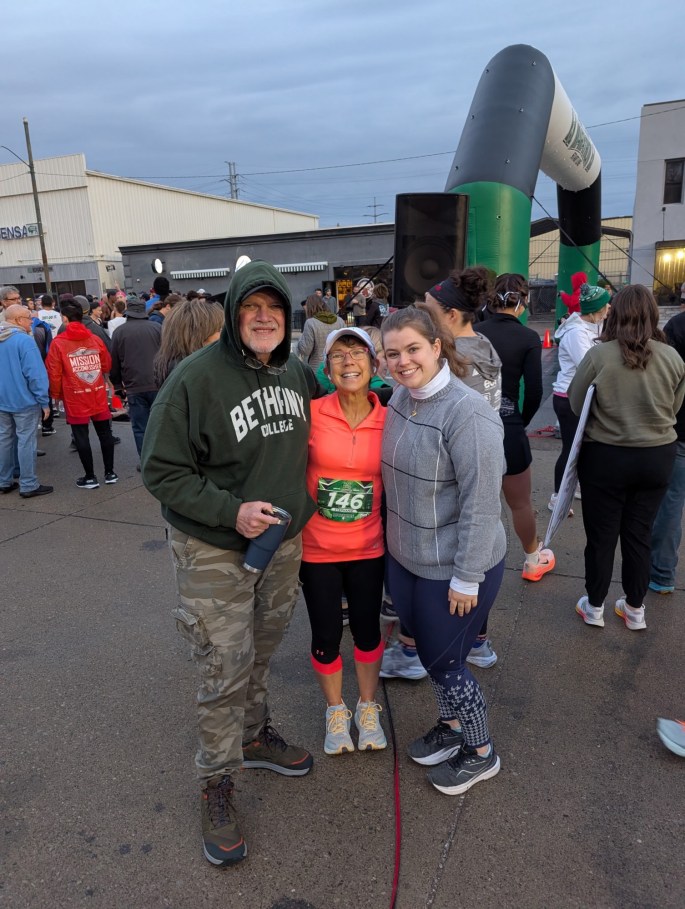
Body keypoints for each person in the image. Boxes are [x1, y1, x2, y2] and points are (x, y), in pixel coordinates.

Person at [141, 260, 318, 867]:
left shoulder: (296, 371)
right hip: (215, 545)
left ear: (288, 317)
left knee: (263, 645)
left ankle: (254, 733)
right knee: (224, 662)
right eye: (252, 307)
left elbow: (335, 420)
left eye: (274, 307)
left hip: (283, 543)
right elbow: (160, 471)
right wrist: (230, 512)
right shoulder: (195, 378)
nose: (264, 317)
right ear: (235, 312)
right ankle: (216, 781)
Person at [381, 307, 506, 795]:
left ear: (436, 346)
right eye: (392, 353)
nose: (402, 361)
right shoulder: (398, 398)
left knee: (448, 662)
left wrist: (467, 576)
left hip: (455, 565)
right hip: (407, 557)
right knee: (432, 656)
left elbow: (481, 502)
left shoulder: (467, 412)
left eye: (412, 349)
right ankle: (452, 729)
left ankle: (480, 752)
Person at [568, 285, 685, 631]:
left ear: (615, 313)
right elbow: (675, 408)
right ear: (652, 314)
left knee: (602, 536)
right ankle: (635, 609)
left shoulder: (599, 356)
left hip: (606, 456)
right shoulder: (673, 358)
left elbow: (577, 403)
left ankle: (594, 606)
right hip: (658, 455)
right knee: (639, 532)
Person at [300, 326, 387, 754]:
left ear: (374, 364)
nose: (348, 361)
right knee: (326, 634)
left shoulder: (391, 419)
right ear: (326, 367)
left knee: (368, 633)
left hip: (370, 549)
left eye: (357, 353)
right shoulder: (311, 413)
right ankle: (336, 710)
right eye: (338, 355)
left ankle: (367, 707)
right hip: (317, 550)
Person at [420, 266, 503, 668]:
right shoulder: (484, 344)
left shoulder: (452, 360)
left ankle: (421, 649)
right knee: (479, 545)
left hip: (451, 475)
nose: (422, 315)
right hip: (484, 466)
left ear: (451, 315)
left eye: (429, 309)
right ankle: (479, 641)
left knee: (457, 559)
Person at [476, 273, 554, 582]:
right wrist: (521, 420)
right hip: (508, 424)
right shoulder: (527, 337)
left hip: (473, 421)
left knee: (474, 500)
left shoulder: (474, 332)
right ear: (523, 302)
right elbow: (534, 390)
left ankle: (472, 562)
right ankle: (533, 559)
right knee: (520, 502)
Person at [549, 283, 611, 513]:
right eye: (605, 306)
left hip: (581, 394)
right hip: (568, 396)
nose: (609, 309)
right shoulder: (576, 333)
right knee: (570, 448)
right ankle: (557, 496)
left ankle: (574, 487)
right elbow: (589, 364)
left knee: (583, 447)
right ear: (595, 310)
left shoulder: (592, 324)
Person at [46, 301, 117, 489]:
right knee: (105, 432)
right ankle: (110, 473)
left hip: (74, 394)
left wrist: (55, 394)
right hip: (96, 392)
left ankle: (90, 476)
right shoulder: (95, 339)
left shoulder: (58, 343)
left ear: (65, 319)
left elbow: (53, 371)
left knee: (81, 436)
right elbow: (106, 364)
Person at [649, 307, 685, 594]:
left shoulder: (678, 325)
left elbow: (665, 377)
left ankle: (661, 574)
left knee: (671, 501)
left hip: (679, 427)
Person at [0, 304, 52, 498]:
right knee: (26, 442)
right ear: (17, 320)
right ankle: (28, 483)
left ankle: (4, 480)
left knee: (4, 440)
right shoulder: (23, 341)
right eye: (29, 318)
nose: (32, 321)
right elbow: (36, 375)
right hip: (24, 400)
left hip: (2, 400)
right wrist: (43, 400)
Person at [109, 298, 162, 459]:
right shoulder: (157, 328)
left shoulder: (120, 332)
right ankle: (164, 459)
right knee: (160, 425)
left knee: (140, 427)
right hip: (158, 384)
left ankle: (146, 460)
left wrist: (118, 386)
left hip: (134, 386)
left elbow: (115, 362)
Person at [153, 297, 224, 387]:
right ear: (198, 335)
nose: (223, 335)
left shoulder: (171, 366)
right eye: (218, 330)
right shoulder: (195, 374)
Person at [296, 294, 344, 369]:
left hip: (318, 367)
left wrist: (299, 342)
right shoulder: (340, 321)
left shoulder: (311, 323)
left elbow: (305, 350)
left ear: (310, 307)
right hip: (338, 365)